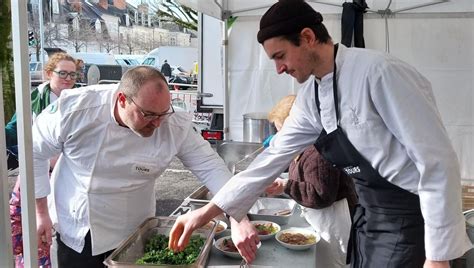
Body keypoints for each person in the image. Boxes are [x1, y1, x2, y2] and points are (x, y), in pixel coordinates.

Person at [169, 0, 472, 267]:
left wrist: (437, 255)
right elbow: (272, 158)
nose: (278, 68)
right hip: (369, 218)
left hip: (411, 220)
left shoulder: (379, 73)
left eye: (280, 56)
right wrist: (206, 213)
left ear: (308, 37)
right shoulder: (311, 95)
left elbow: (437, 162)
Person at [31, 65, 258, 268]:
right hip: (80, 228)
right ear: (122, 100)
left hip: (135, 230)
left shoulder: (172, 123)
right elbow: (34, 151)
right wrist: (40, 213)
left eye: (163, 113)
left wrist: (238, 217)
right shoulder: (77, 109)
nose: (158, 123)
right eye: (148, 115)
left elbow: (211, 167)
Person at [265, 95, 357, 268]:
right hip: (322, 217)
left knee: (334, 264)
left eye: (281, 130)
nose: (280, 135)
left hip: (333, 219)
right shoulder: (304, 145)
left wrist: (286, 186)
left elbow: (321, 195)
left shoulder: (317, 151)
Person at [8, 52, 82, 268]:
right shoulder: (34, 98)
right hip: (35, 170)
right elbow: (15, 128)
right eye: (62, 73)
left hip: (65, 174)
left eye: (73, 74)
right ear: (49, 73)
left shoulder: (80, 100)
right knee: (22, 221)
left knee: (55, 225)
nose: (68, 79)